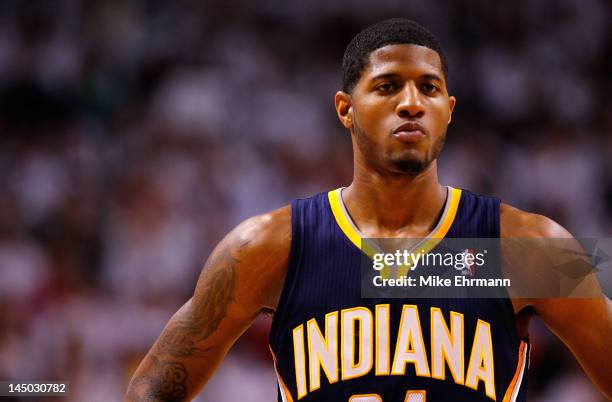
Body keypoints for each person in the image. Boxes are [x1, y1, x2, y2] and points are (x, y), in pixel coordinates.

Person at [124, 18, 612, 402]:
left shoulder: (523, 248)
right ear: (345, 108)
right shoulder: (271, 245)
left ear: (450, 109)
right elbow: (154, 388)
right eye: (387, 86)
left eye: (429, 87)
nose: (411, 103)